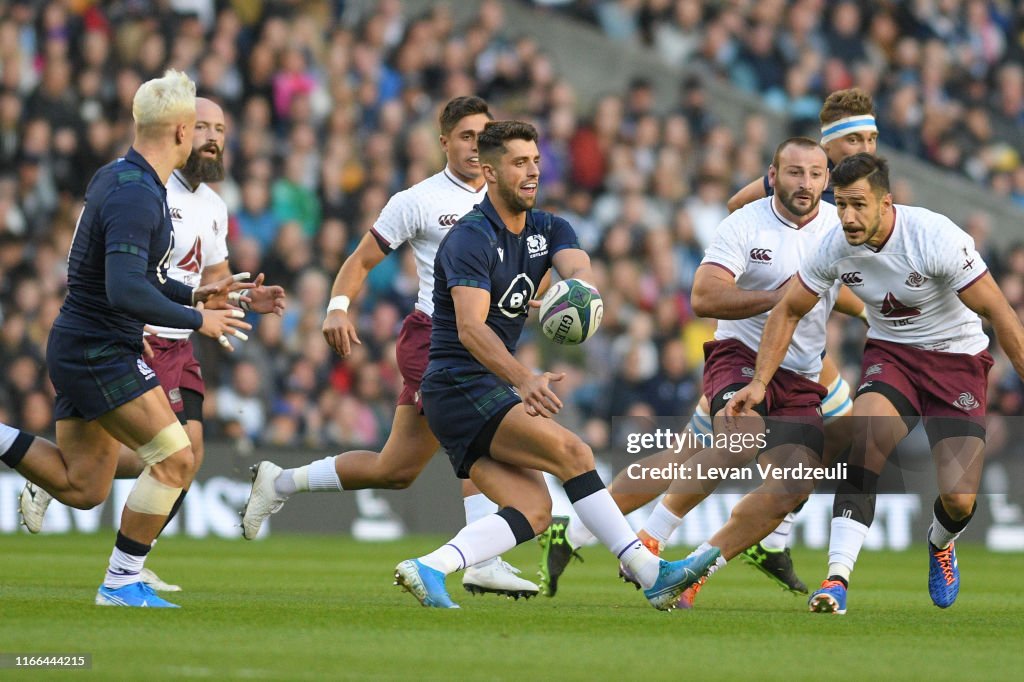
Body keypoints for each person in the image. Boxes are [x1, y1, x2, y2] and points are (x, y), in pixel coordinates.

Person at [537, 89, 879, 598]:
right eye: (856, 138)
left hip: (803, 362)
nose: (866, 148)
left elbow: (839, 290)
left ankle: (587, 528)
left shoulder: (843, 219)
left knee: (701, 459)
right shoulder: (753, 214)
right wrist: (783, 296)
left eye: (872, 138)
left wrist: (877, 312)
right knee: (747, 440)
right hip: (741, 354)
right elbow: (709, 286)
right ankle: (652, 542)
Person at [391, 120, 719, 610]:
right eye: (519, 163)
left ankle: (429, 568)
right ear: (489, 171)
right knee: (574, 452)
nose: (531, 173)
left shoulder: (549, 226)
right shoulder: (469, 238)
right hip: (457, 384)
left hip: (479, 389)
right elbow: (470, 328)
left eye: (536, 162)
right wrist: (523, 378)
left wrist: (576, 294)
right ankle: (649, 572)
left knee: (535, 509)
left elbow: (578, 270)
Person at [241, 97, 538, 598]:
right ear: (443, 142)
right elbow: (360, 260)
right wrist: (337, 306)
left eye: (484, 136)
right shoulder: (417, 200)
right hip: (435, 337)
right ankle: (482, 559)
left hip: (482, 339)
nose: (474, 145)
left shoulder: (506, 201)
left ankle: (279, 482)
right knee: (479, 435)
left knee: (395, 469)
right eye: (465, 136)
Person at [725, 153, 1024, 614]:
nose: (847, 216)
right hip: (893, 356)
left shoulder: (934, 237)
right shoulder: (833, 246)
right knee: (865, 438)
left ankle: (941, 543)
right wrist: (760, 382)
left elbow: (999, 311)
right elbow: (787, 309)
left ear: (886, 203)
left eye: (859, 204)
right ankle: (836, 580)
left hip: (956, 360)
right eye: (841, 204)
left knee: (960, 500)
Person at [0, 70, 253, 607]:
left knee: (82, 487)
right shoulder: (139, 194)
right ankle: (120, 582)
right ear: (182, 132)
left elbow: (144, 277)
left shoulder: (124, 177)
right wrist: (197, 322)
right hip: (100, 348)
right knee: (178, 457)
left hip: (85, 342)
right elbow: (124, 288)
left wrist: (194, 297)